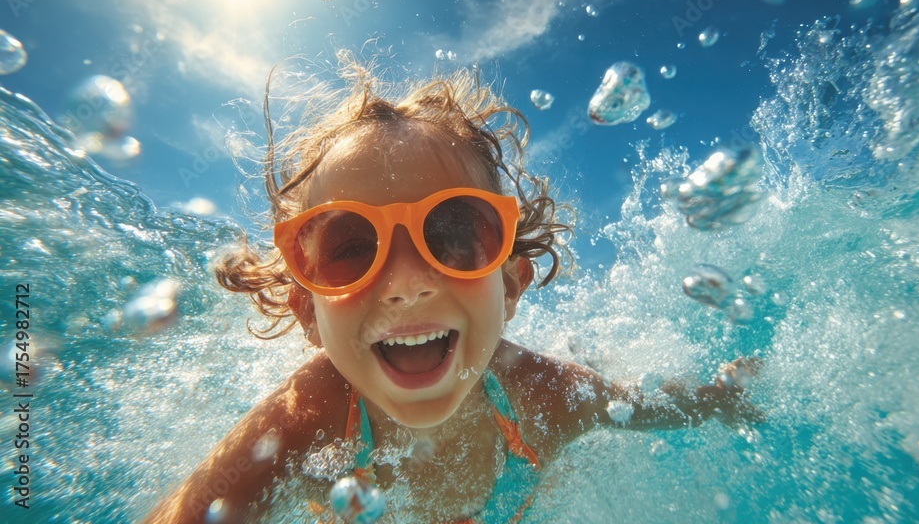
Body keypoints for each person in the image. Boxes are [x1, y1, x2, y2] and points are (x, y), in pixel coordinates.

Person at [143, 62, 763, 524]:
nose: (409, 283)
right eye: (351, 248)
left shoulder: (547, 396)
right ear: (307, 308)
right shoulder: (306, 420)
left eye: (454, 234)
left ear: (511, 282)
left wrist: (719, 397)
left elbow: (645, 407)